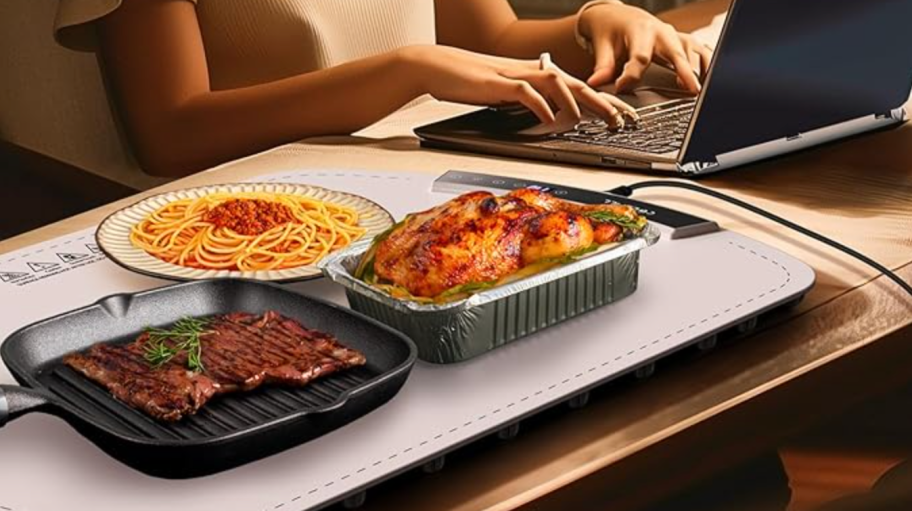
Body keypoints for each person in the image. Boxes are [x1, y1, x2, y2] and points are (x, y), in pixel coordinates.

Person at [55, 0, 711, 177]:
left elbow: (492, 38)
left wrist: (592, 22)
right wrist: (407, 71)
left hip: (435, 185)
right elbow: (170, 134)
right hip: (272, 233)